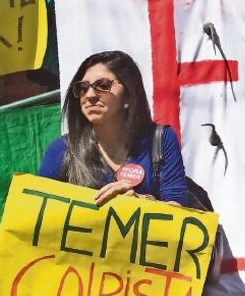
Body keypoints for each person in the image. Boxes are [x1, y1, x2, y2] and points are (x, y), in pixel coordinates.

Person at [39, 50, 187, 205]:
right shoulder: (61, 150)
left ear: (129, 95)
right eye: (83, 87)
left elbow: (179, 208)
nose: (90, 95)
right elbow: (38, 209)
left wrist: (142, 201)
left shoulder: (161, 140)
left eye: (102, 85)